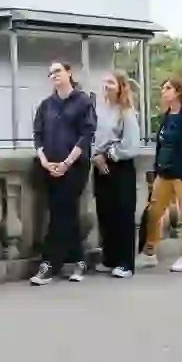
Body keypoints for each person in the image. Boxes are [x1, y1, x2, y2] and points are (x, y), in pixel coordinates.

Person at [30, 61, 97, 286]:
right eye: (50, 73)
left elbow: (86, 135)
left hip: (74, 167)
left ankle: (49, 263)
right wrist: (45, 161)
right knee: (65, 213)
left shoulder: (83, 102)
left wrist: (67, 163)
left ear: (69, 73)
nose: (54, 75)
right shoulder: (46, 105)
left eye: (58, 71)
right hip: (49, 166)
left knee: (61, 213)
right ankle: (78, 259)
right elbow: (38, 134)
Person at [136, 76, 182, 273]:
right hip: (165, 172)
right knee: (154, 212)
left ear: (178, 92)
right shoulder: (167, 116)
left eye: (168, 88)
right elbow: (162, 145)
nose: (163, 91)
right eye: (163, 88)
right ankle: (149, 252)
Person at [92, 71, 142, 279]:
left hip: (120, 166)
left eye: (111, 82)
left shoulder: (126, 112)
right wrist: (95, 156)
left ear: (121, 86)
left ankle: (125, 263)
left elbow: (131, 144)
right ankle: (109, 257)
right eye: (104, 82)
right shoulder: (100, 110)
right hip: (100, 165)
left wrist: (108, 155)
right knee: (105, 213)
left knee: (122, 214)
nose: (106, 85)